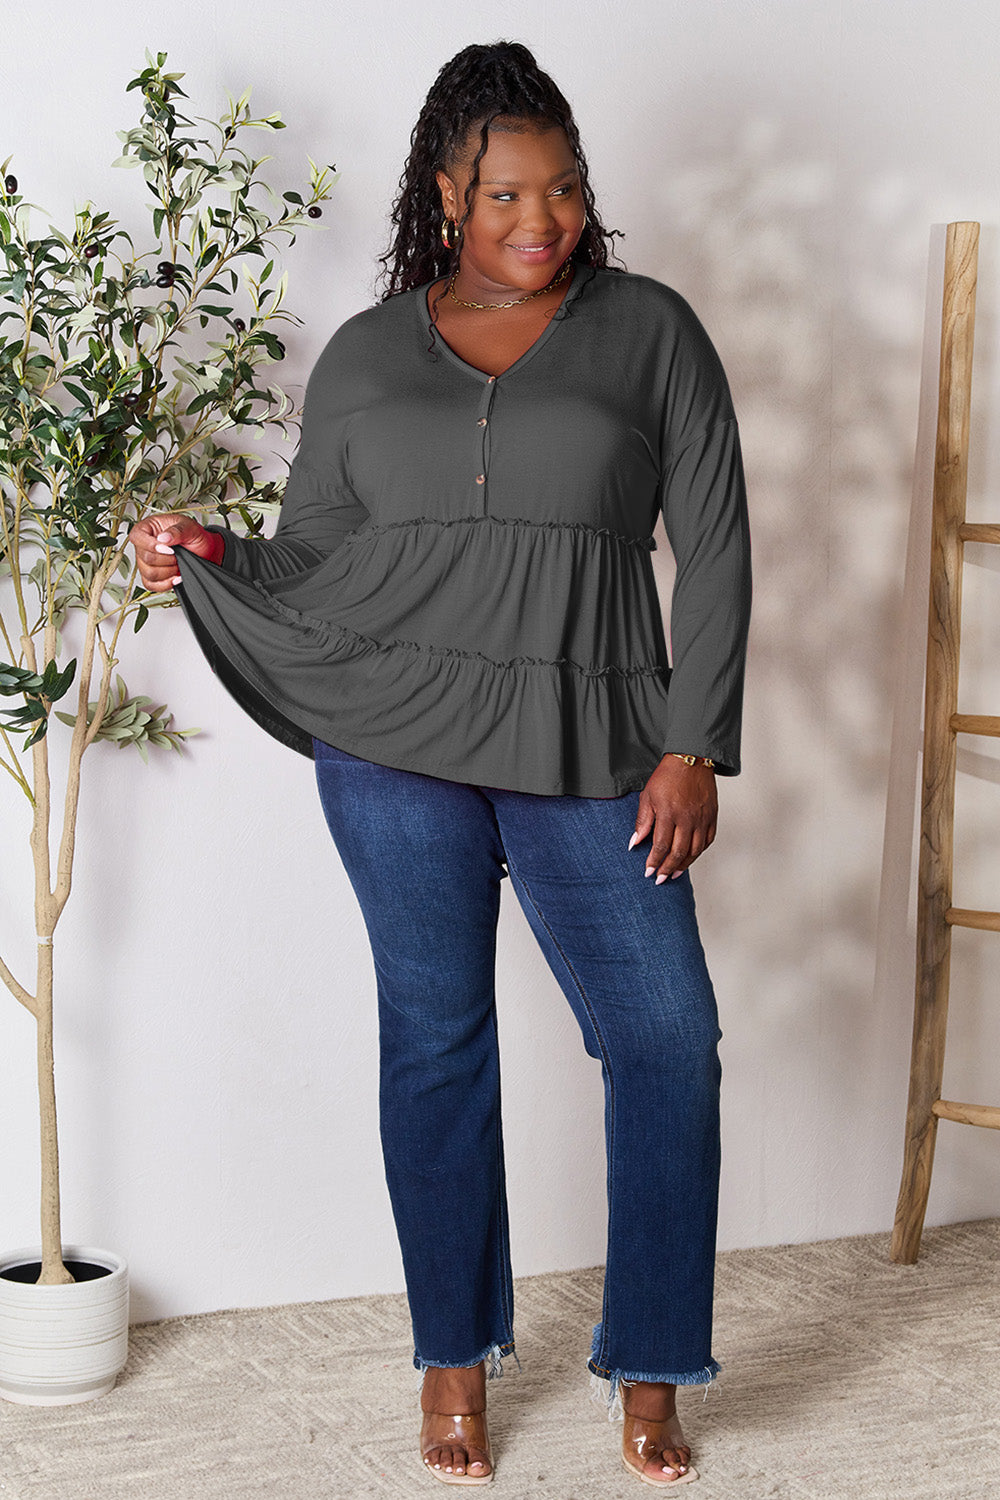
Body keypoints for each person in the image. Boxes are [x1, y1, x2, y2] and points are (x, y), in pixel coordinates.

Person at [129, 40, 751, 1489]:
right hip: (392, 745)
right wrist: (211, 553)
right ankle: (452, 1367)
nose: (541, 220)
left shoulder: (653, 332)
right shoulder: (362, 354)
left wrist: (692, 741)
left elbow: (713, 546)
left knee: (665, 1042)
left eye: (565, 189)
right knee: (436, 1043)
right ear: (444, 193)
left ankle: (653, 1367)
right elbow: (321, 559)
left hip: (595, 741)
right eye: (504, 193)